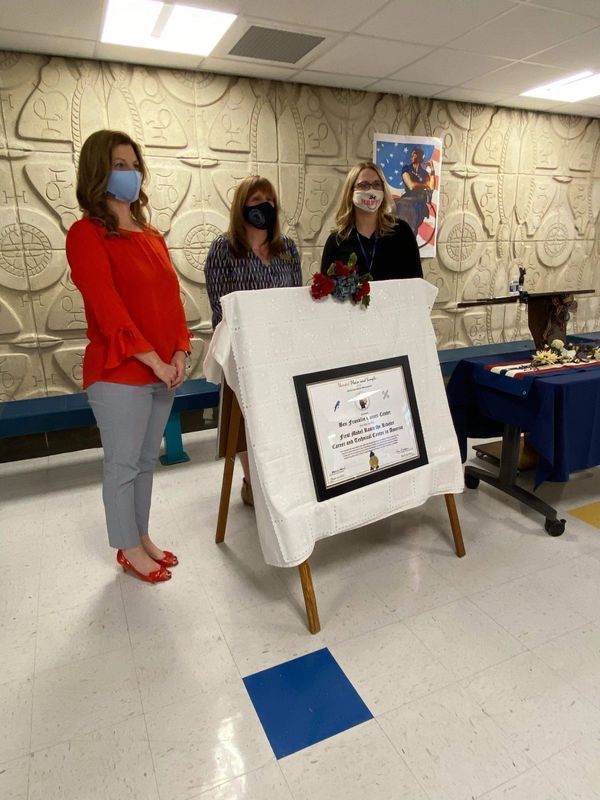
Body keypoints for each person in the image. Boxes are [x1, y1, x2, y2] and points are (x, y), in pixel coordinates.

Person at [66, 130, 191, 584]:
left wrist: (178, 350)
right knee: (121, 464)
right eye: (120, 165)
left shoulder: (151, 235)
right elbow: (107, 306)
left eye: (134, 164)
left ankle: (141, 535)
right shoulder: (86, 234)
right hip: (120, 372)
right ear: (99, 172)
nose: (130, 173)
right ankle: (127, 547)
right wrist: (153, 360)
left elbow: (172, 301)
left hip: (163, 370)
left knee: (143, 462)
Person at [204, 175, 301, 507]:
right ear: (241, 205)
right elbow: (220, 308)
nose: (265, 206)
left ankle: (281, 477)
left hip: (284, 350)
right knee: (248, 421)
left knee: (282, 418)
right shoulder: (223, 248)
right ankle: (250, 482)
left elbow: (297, 299)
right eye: (257, 198)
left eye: (270, 200)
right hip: (244, 355)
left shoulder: (286, 248)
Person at [320, 161, 422, 281]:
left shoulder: (402, 232)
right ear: (350, 192)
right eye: (363, 185)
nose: (371, 191)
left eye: (377, 184)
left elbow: (417, 283)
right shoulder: (337, 240)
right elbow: (325, 290)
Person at [396, 147, 436, 236]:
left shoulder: (424, 173)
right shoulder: (407, 168)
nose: (411, 157)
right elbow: (411, 186)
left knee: (413, 229)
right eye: (411, 155)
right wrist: (425, 185)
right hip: (407, 201)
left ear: (419, 157)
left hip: (419, 202)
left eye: (413, 155)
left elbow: (432, 187)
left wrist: (432, 170)